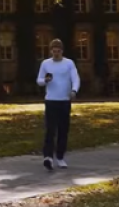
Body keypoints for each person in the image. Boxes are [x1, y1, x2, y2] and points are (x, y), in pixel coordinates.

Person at [36, 38, 80, 171]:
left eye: (58, 51)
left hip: (65, 101)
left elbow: (75, 78)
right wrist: (45, 80)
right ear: (50, 51)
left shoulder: (69, 63)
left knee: (63, 130)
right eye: (53, 51)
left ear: (62, 51)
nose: (56, 54)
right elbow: (39, 80)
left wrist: (74, 90)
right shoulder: (46, 64)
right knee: (50, 129)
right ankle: (48, 157)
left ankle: (60, 157)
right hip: (51, 100)